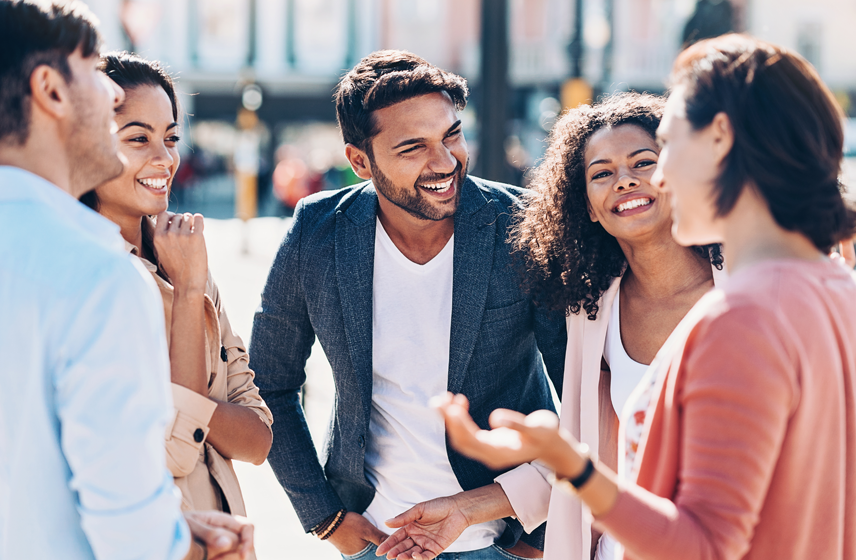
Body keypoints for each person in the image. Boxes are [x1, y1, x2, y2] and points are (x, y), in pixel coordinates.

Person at [438, 34, 856, 560]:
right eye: (604, 173)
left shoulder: (744, 316)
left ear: (720, 139)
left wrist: (574, 466)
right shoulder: (830, 286)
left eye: (667, 143)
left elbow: (700, 546)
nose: (653, 176)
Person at [249, 50, 567, 559]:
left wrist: (533, 536)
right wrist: (324, 517)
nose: (444, 162)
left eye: (451, 135)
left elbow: (582, 395)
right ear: (359, 161)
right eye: (412, 147)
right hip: (376, 539)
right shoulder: (318, 232)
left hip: (507, 538)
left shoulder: (522, 226)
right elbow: (269, 379)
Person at [380, 93, 724, 560]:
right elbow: (587, 457)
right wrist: (466, 509)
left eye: (643, 162)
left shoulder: (752, 289)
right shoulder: (592, 311)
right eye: (601, 173)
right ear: (587, 206)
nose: (624, 180)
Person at [0, 2, 252, 559]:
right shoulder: (93, 272)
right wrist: (192, 547)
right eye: (94, 71)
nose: (112, 94)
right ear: (51, 89)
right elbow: (130, 529)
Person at [81, 51, 273, 523]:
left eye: (170, 137)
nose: (164, 158)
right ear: (85, 145)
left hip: (225, 540)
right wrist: (188, 295)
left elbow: (259, 438)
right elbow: (174, 454)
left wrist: (183, 405)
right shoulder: (88, 275)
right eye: (138, 138)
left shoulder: (186, 258)